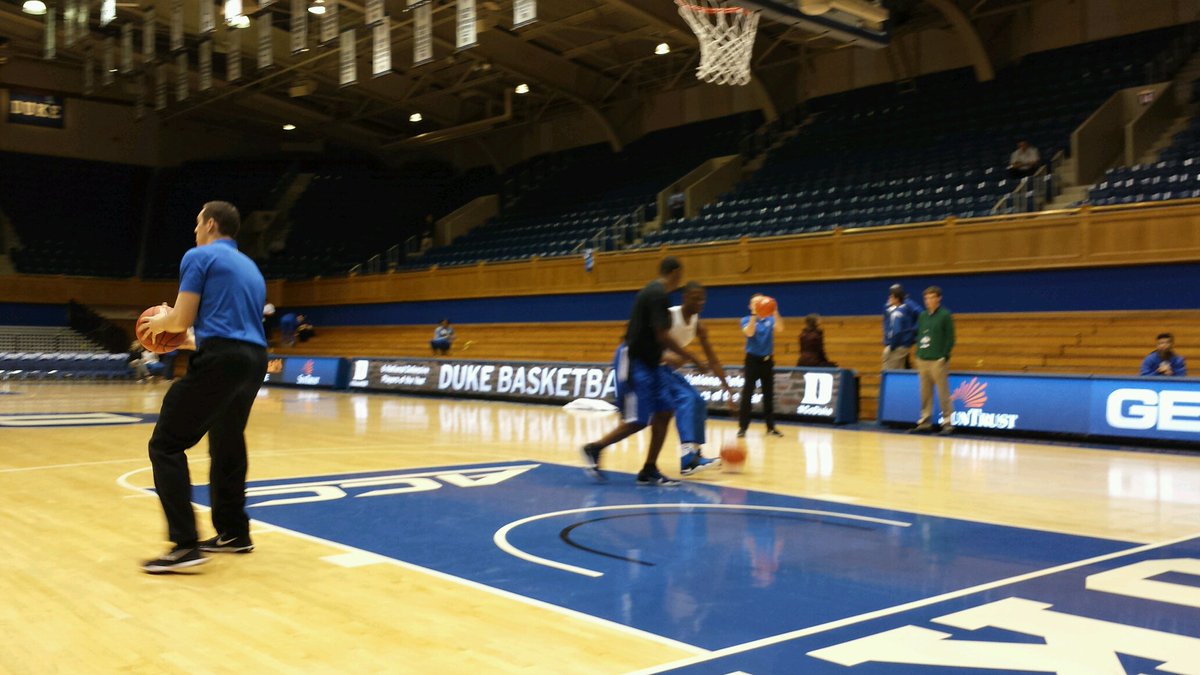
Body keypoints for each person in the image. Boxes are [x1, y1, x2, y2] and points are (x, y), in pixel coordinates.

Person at [138, 201, 269, 574]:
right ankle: (233, 532)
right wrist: (178, 335)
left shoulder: (199, 256)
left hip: (222, 359)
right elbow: (227, 330)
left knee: (165, 444)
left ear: (210, 224)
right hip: (253, 360)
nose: (194, 230)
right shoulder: (249, 267)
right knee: (227, 439)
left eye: (197, 223)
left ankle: (184, 545)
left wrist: (162, 322)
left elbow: (182, 318)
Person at [581, 256, 706, 487]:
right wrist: (691, 357)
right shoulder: (657, 294)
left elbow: (649, 334)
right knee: (638, 419)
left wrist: (664, 356)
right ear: (676, 272)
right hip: (634, 360)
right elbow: (660, 335)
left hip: (650, 360)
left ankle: (649, 469)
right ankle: (594, 448)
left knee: (665, 410)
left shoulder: (657, 294)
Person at [662, 281, 733, 476]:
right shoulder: (669, 315)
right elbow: (647, 342)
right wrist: (668, 357)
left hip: (667, 371)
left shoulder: (698, 325)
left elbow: (713, 360)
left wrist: (727, 390)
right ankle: (687, 458)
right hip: (652, 366)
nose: (700, 302)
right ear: (685, 298)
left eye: (703, 298)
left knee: (699, 402)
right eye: (696, 298)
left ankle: (695, 454)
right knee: (687, 399)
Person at [738, 294, 785, 438]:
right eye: (754, 303)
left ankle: (771, 428)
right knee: (748, 394)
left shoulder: (770, 320)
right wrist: (754, 314)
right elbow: (750, 332)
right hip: (752, 361)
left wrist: (775, 311)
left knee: (768, 394)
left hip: (767, 361)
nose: (757, 304)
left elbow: (780, 329)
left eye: (759, 302)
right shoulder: (746, 319)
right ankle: (743, 428)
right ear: (750, 306)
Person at [911, 286, 955, 435]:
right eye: (926, 298)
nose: (928, 301)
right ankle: (925, 421)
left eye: (931, 297)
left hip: (938, 360)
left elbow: (950, 338)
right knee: (925, 393)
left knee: (943, 392)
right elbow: (920, 334)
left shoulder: (945, 315)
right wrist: (918, 353)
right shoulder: (923, 316)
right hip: (923, 359)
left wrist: (944, 355)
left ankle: (947, 422)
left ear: (938, 298)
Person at [883, 283, 923, 370]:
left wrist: (913, 330)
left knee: (892, 370)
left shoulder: (908, 304)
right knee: (902, 368)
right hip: (894, 342)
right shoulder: (889, 305)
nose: (890, 297)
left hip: (899, 343)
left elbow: (921, 315)